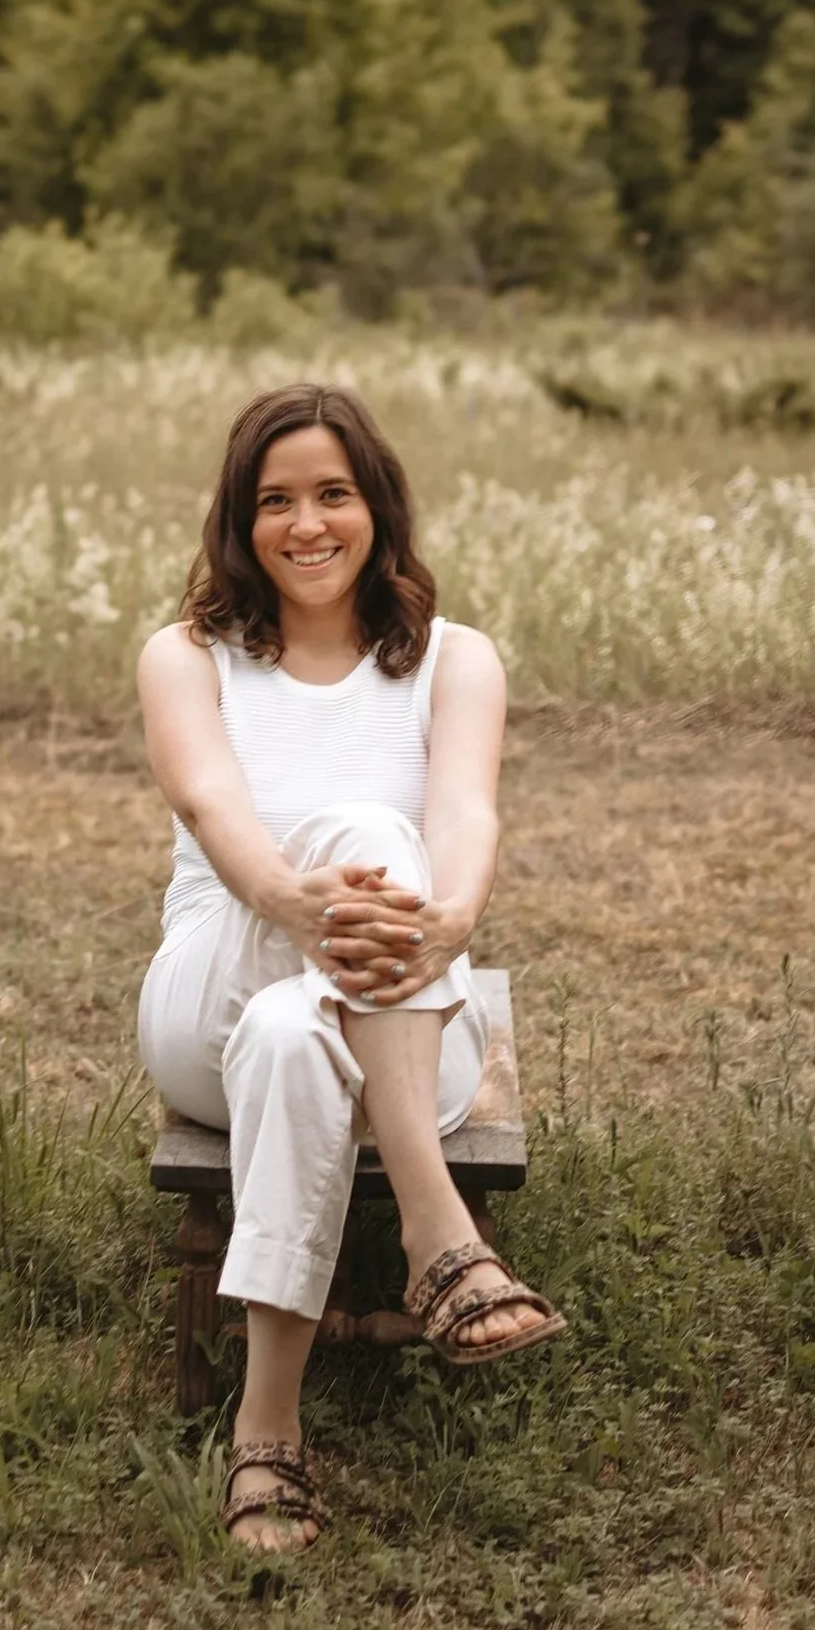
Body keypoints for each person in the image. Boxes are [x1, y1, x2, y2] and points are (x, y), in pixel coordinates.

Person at [137, 383, 567, 1554]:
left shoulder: (452, 659)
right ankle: (439, 1235)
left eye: (332, 492)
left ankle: (262, 1432)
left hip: (405, 1029)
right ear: (241, 519)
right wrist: (288, 896)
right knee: (367, 845)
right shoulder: (189, 657)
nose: (306, 523)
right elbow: (208, 800)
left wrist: (450, 921)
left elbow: (467, 814)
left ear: (376, 504)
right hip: (206, 1003)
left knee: (298, 1026)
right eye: (275, 500)